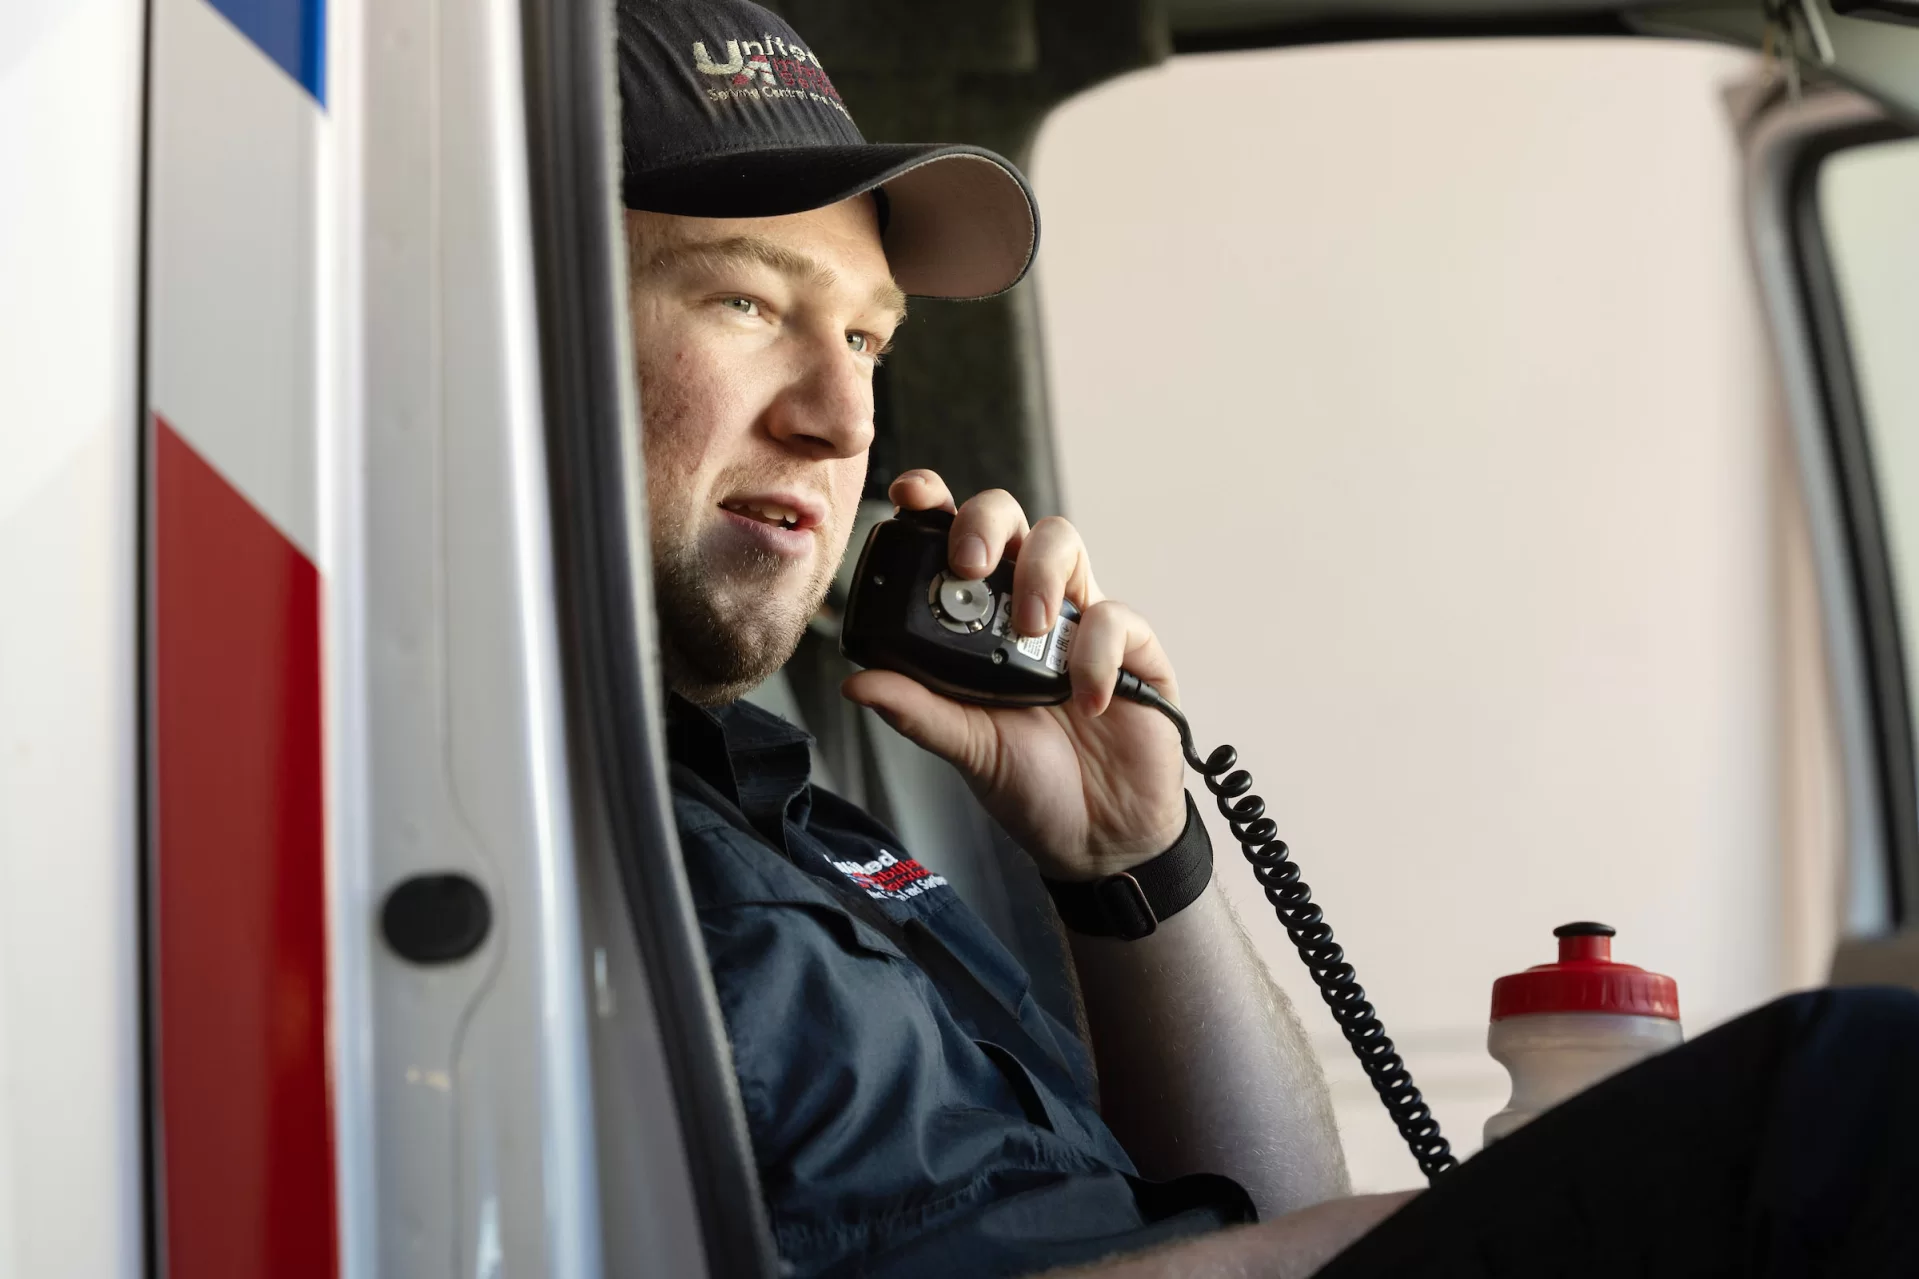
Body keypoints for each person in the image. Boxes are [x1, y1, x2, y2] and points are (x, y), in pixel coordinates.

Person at [617, 1, 1919, 1275]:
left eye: (864, 336)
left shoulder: (785, 809)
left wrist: (1132, 863)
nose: (847, 415)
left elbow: (1278, 1206)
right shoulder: (507, 838)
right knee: (1843, 1103)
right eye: (745, 302)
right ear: (516, 329)